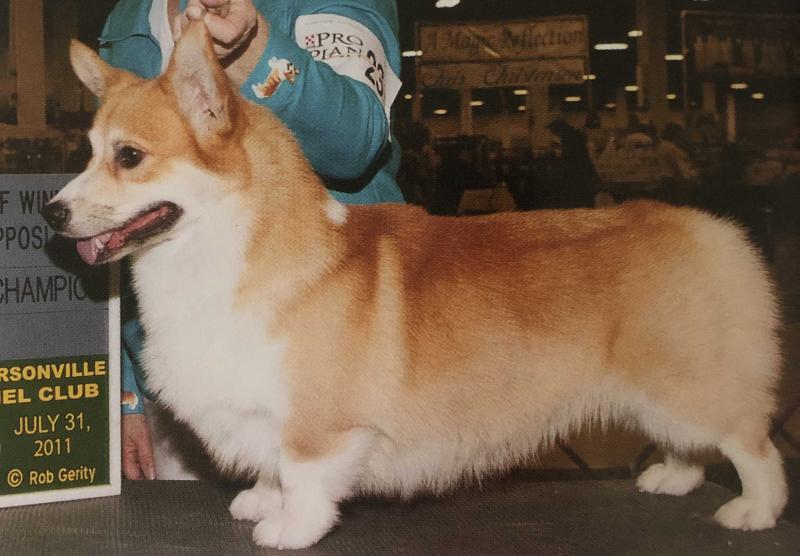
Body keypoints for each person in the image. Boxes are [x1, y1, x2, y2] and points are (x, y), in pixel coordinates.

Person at [100, 0, 405, 480]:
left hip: (325, 371)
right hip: (176, 384)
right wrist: (122, 393)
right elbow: (119, 213)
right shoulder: (130, 17)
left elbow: (356, 143)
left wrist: (253, 50)